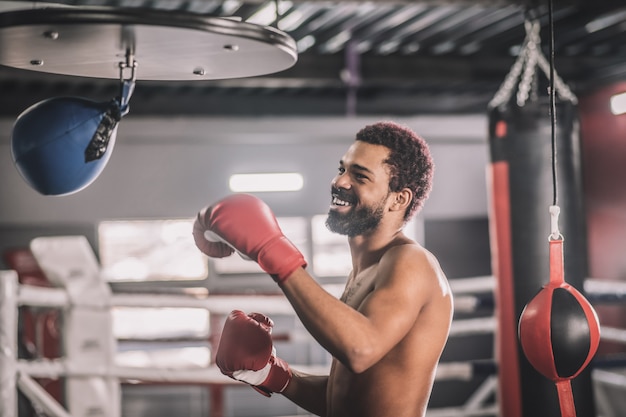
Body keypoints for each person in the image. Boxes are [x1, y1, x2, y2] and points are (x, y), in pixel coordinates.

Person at [193, 121, 454, 417]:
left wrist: (274, 253)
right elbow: (346, 401)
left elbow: (360, 350)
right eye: (343, 169)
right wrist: (272, 376)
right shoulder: (366, 271)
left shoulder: (411, 261)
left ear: (399, 199)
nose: (340, 182)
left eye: (360, 176)